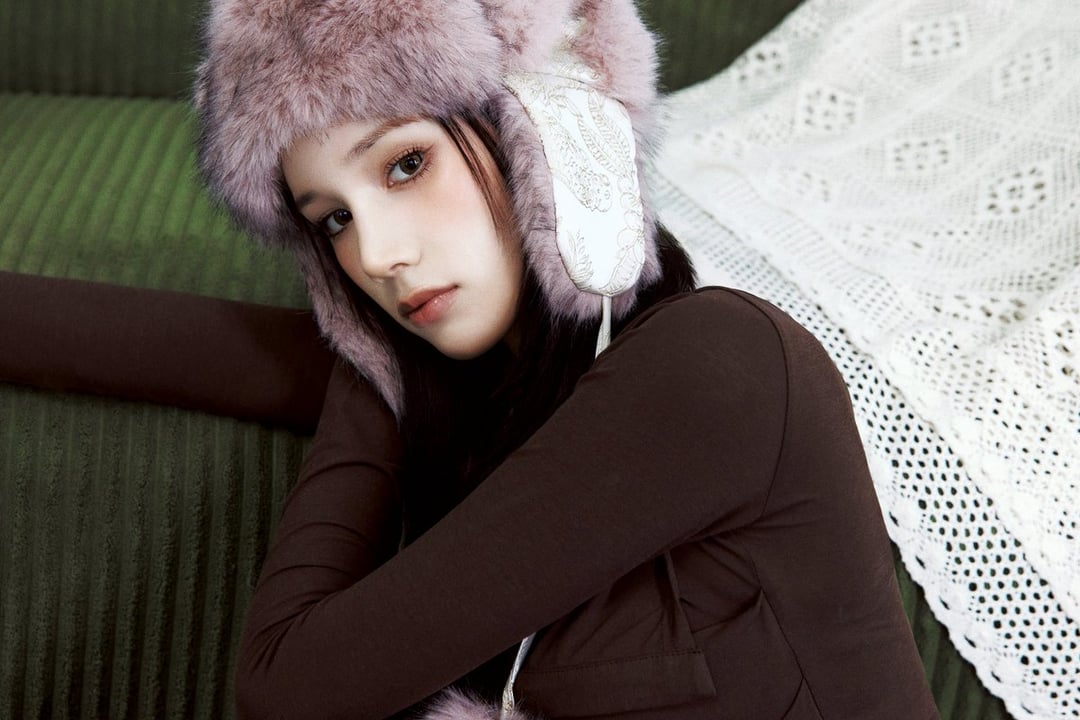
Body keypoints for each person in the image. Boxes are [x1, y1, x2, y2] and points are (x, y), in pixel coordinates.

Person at [195, 0, 940, 718]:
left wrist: (377, 355)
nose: (375, 256)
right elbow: (213, 352)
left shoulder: (715, 364)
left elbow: (288, 687)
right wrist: (367, 345)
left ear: (541, 126)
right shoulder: (472, 386)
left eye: (406, 165)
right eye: (334, 221)